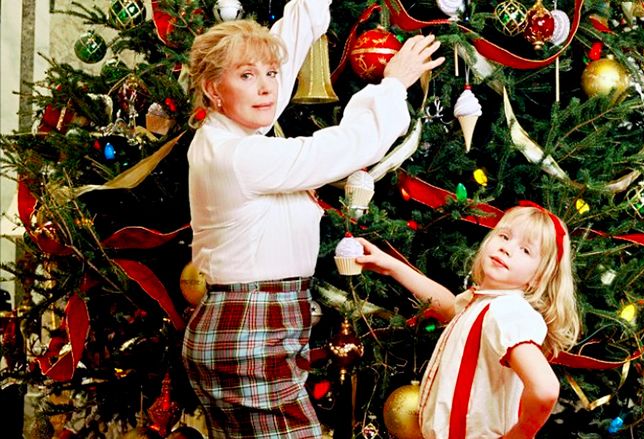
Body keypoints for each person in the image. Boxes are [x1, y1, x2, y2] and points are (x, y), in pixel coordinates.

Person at [180, 0, 445, 436]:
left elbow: (270, 78)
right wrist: (393, 85)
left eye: (270, 73)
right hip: (249, 331)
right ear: (212, 89)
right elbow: (341, 150)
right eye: (246, 76)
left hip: (252, 325)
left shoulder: (225, 134)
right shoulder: (240, 155)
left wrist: (306, 10)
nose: (266, 87)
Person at [356, 204, 580, 438]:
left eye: (525, 250)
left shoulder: (507, 311)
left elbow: (545, 389)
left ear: (538, 278)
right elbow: (449, 305)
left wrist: (521, 433)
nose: (507, 248)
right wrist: (392, 266)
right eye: (504, 236)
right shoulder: (481, 303)